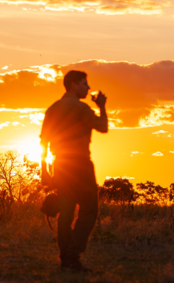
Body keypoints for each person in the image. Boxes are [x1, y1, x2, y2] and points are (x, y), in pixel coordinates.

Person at [40, 70, 108, 272]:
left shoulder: (52, 109)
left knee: (66, 212)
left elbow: (43, 142)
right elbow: (103, 127)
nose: (87, 88)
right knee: (89, 210)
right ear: (73, 85)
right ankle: (72, 254)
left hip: (60, 165)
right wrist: (102, 107)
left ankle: (66, 259)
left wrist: (44, 170)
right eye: (84, 83)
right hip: (80, 165)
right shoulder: (82, 108)